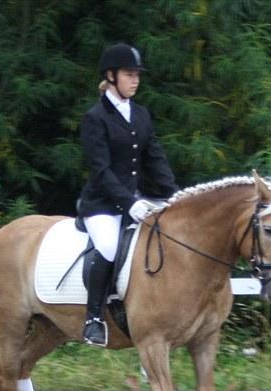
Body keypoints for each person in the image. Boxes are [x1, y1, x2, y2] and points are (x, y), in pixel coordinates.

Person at [77, 42, 180, 346]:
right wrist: (128, 202)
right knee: (108, 246)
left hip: (137, 201)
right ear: (111, 75)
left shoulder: (141, 115)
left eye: (137, 75)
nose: (135, 80)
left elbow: (155, 158)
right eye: (129, 74)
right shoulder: (95, 118)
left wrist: (175, 195)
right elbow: (101, 170)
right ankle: (93, 318)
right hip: (102, 205)